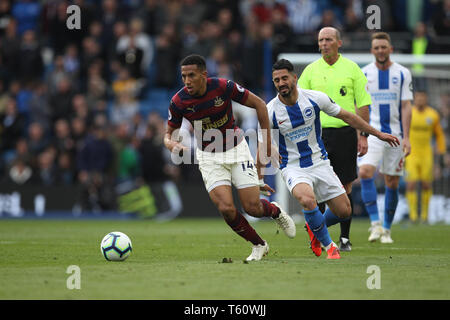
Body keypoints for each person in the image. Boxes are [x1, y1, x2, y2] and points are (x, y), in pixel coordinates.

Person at [257, 59, 399, 259]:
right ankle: (329, 246)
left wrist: (377, 134)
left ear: (294, 78)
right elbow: (263, 143)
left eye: (284, 78)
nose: (281, 83)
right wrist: (265, 167)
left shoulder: (315, 98)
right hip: (293, 167)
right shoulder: (269, 110)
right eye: (276, 80)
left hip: (319, 162)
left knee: (344, 211)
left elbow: (348, 116)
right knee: (307, 199)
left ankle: (315, 229)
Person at [163, 54, 296, 261]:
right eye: (183, 76)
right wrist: (172, 144)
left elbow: (260, 105)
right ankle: (258, 245)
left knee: (253, 208)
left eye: (191, 75)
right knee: (226, 208)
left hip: (236, 150)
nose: (187, 81)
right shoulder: (179, 101)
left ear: (204, 75)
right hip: (208, 157)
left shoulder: (223, 87)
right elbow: (168, 135)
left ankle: (274, 211)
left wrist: (268, 141)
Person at [298, 27, 372, 252]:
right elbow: (299, 103)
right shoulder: (310, 71)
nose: (324, 44)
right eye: (321, 40)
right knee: (317, 186)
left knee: (344, 186)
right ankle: (320, 236)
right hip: (318, 137)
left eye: (329, 39)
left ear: (339, 43)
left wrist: (364, 135)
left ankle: (345, 238)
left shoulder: (352, 69)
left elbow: (363, 104)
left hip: (346, 134)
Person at [358, 32, 413, 243]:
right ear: (372, 51)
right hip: (372, 132)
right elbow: (360, 107)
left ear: (390, 49)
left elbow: (407, 106)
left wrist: (406, 137)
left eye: (384, 47)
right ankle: (375, 225)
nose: (380, 50)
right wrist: (361, 135)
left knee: (391, 182)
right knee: (364, 172)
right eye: (376, 47)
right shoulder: (364, 74)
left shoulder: (402, 73)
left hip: (396, 135)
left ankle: (387, 230)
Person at [405, 91, 446, 223]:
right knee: (411, 184)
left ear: (426, 98)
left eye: (423, 97)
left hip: (427, 154)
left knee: (426, 184)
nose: (420, 99)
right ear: (414, 98)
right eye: (418, 97)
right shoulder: (409, 112)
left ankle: (424, 216)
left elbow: (439, 134)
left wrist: (441, 150)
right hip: (411, 153)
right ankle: (413, 216)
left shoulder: (432, 114)